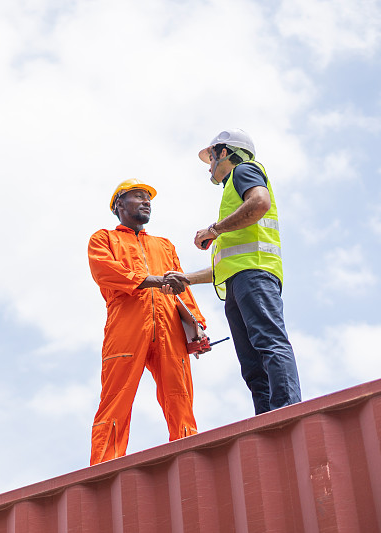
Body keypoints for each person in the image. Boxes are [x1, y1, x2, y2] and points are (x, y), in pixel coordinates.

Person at [164, 129, 301, 415]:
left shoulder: (244, 171)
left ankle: (288, 412)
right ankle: (268, 418)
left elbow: (259, 203)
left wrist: (214, 229)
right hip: (241, 280)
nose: (210, 166)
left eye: (211, 158)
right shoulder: (231, 196)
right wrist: (186, 278)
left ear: (224, 152)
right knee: (252, 364)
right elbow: (225, 265)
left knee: (269, 342)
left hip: (255, 275)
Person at [87, 178, 209, 465]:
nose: (146, 202)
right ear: (119, 204)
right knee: (116, 396)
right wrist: (152, 280)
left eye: (148, 198)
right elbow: (106, 271)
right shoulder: (104, 239)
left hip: (170, 327)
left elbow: (182, 289)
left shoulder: (164, 245)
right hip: (126, 327)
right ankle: (104, 466)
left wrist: (197, 324)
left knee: (179, 394)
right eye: (138, 196)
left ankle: (187, 454)